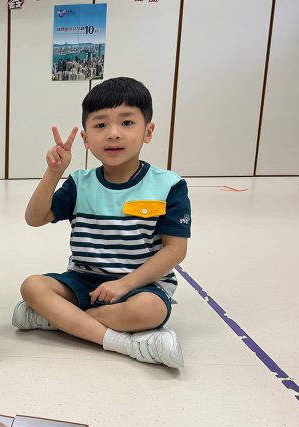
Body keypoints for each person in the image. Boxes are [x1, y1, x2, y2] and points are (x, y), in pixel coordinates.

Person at [13, 77, 191, 368]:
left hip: (139, 284)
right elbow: (35, 218)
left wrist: (124, 284)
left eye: (127, 123)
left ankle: (61, 320)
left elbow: (175, 249)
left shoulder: (168, 186)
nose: (113, 134)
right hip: (83, 280)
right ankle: (125, 344)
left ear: (148, 131)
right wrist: (53, 173)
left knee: (150, 310)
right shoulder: (80, 183)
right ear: (86, 139)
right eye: (100, 125)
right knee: (32, 286)